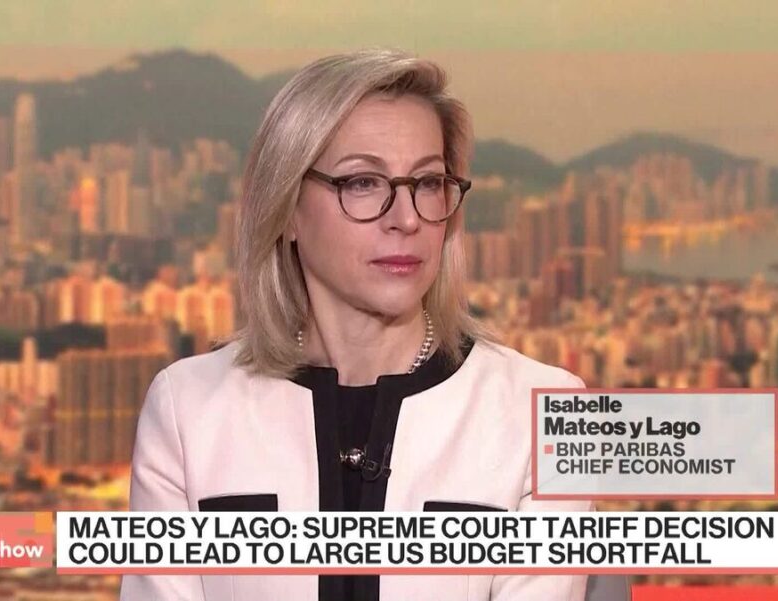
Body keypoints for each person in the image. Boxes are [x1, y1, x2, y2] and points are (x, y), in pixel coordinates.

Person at [120, 47, 596, 601]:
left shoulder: (542, 412)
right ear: (287, 208)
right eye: (363, 182)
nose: (407, 218)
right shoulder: (188, 409)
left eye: (428, 183)